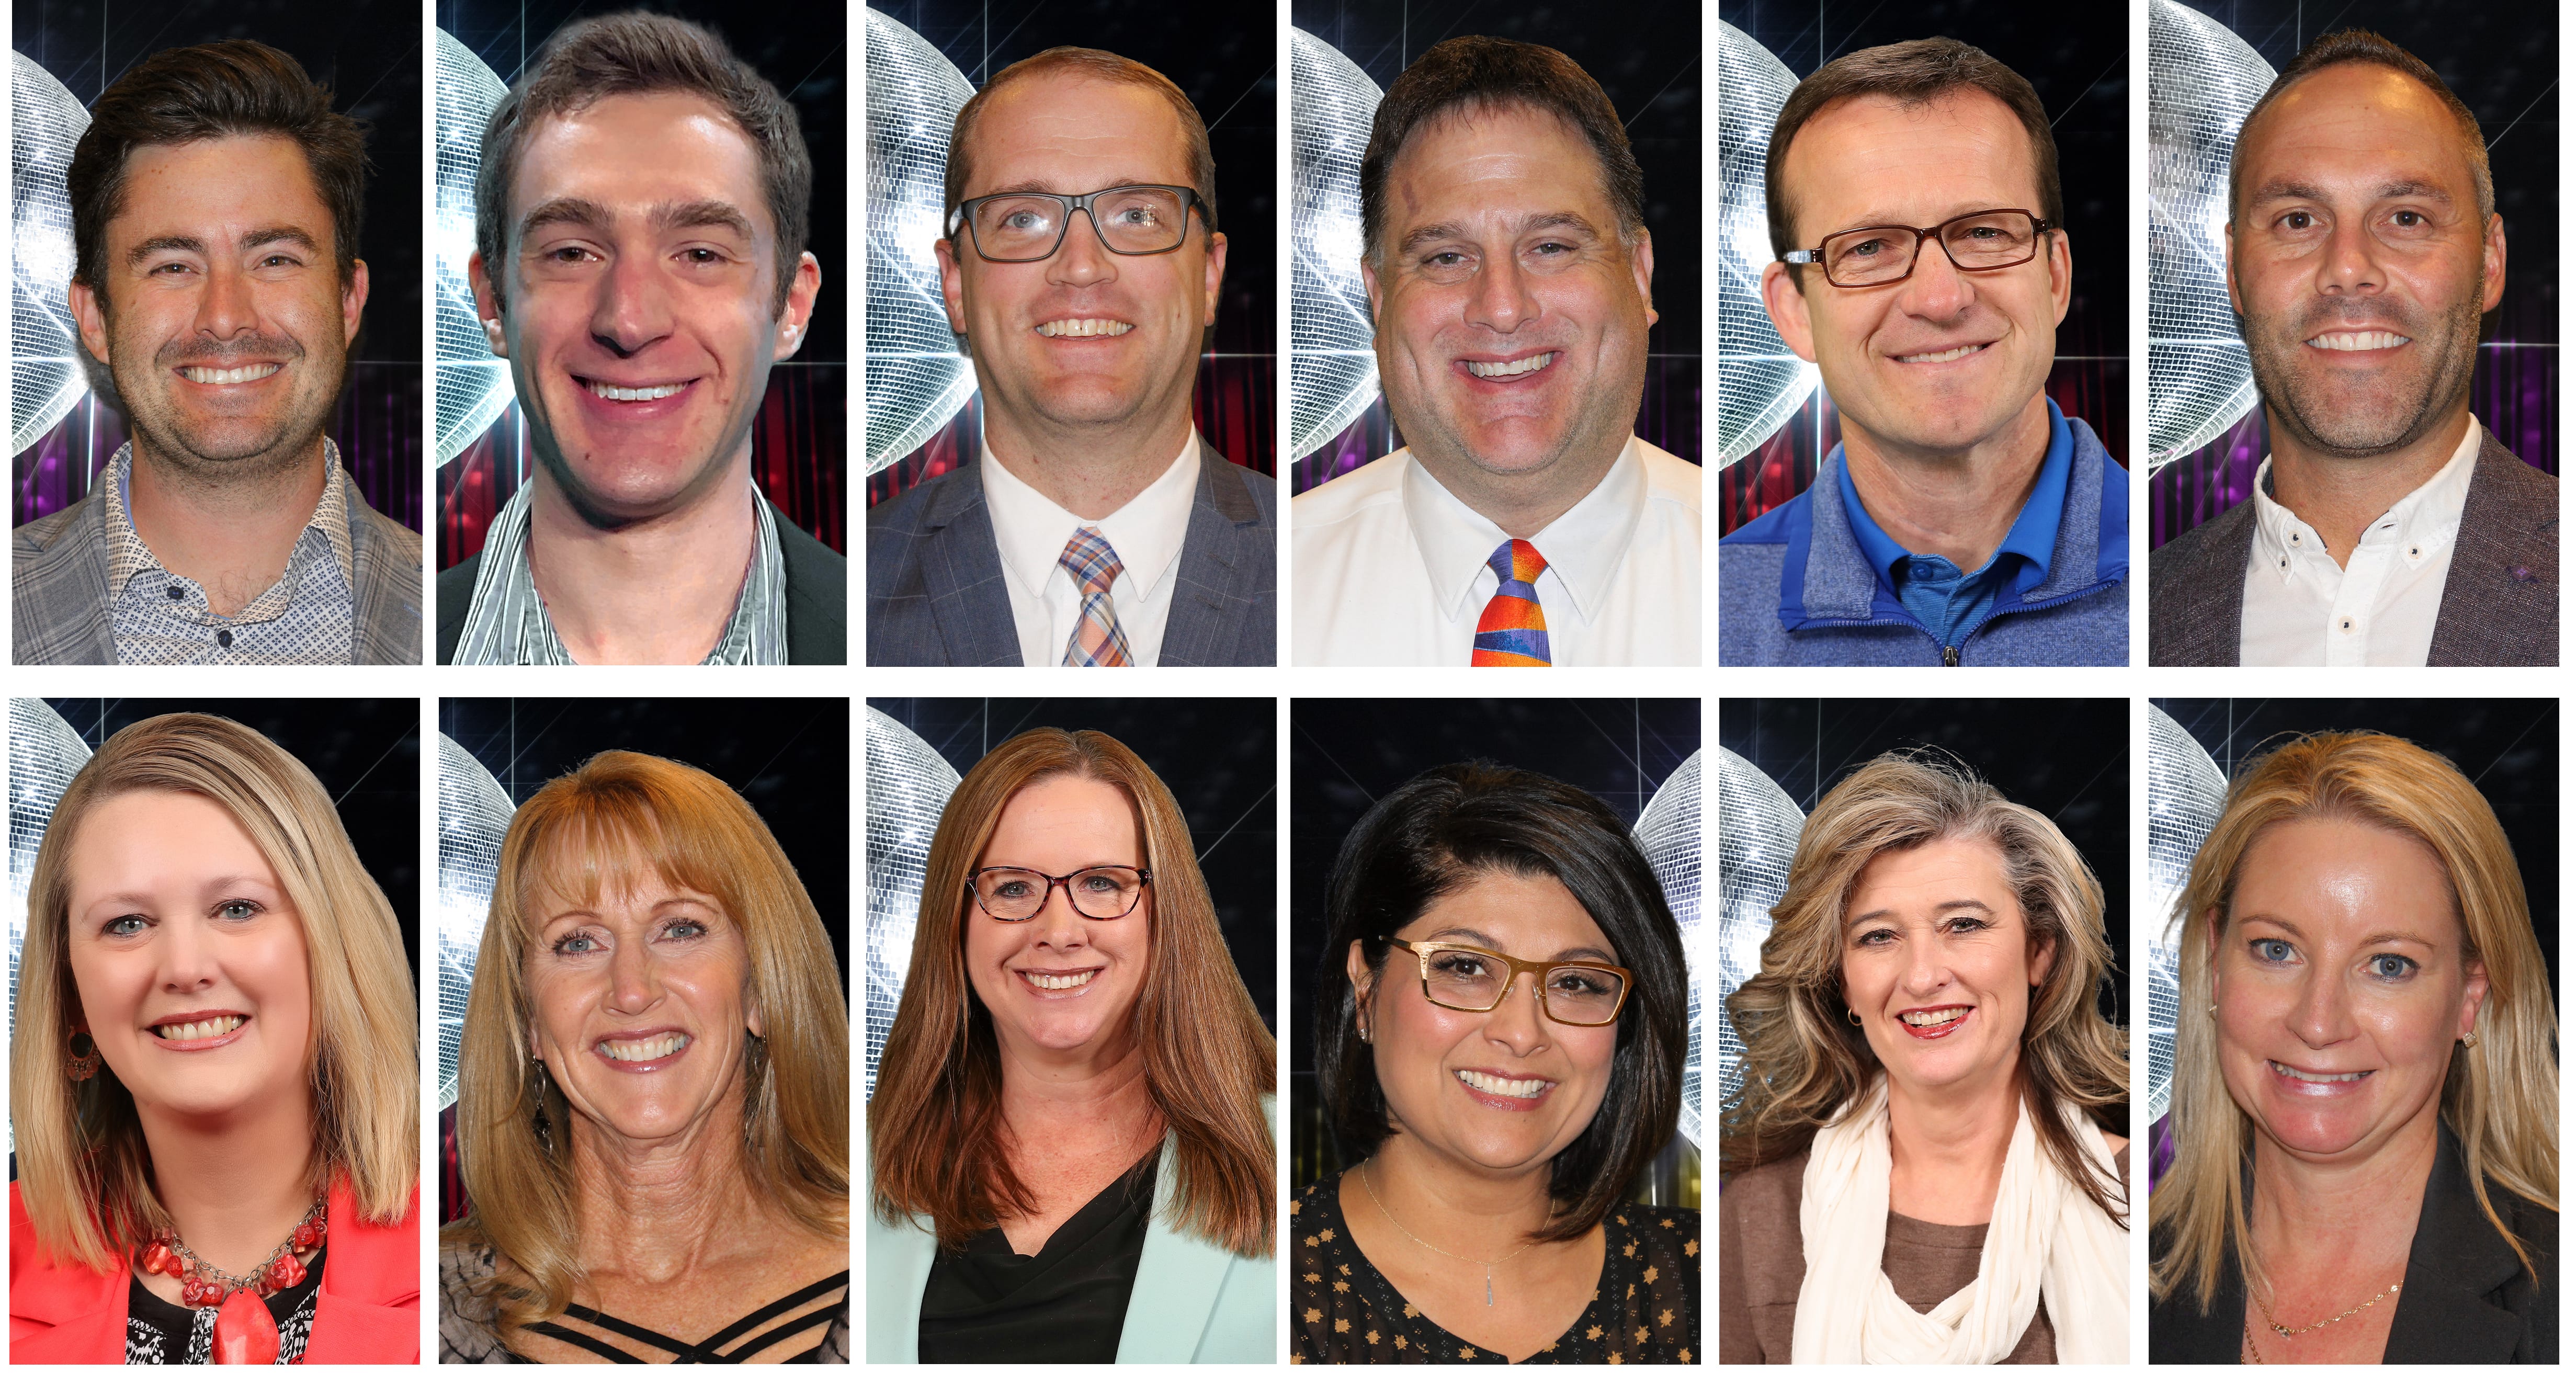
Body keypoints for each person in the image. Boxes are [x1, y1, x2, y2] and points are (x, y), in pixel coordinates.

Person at [10, 714, 419, 1363]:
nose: (183, 968)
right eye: (126, 923)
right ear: (70, 995)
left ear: (332, 945)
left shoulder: (475, 1265)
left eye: (237, 909)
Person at [444, 12, 842, 665]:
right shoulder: (398, 645)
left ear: (792, 305)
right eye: (572, 252)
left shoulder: (877, 633)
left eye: (700, 254)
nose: (629, 321)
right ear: (492, 301)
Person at [2149, 32, 2557, 667]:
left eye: (2404, 218)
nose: (2347, 269)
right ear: (2232, 269)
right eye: (2297, 220)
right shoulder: (2141, 615)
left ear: (2490, 260)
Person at [1292, 37, 1700, 667]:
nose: (1503, 308)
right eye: (1446, 257)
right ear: (1377, 298)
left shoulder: (1739, 565)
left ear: (1639, 273)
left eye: (1551, 247)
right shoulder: (1279, 583)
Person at [868, 728, 1275, 1361]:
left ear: (1166, 914)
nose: (1058, 931)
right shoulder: (856, 1167)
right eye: (1011, 888)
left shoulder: (1292, 1169)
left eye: (1102, 884)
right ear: (954, 918)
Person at [2149, 732, 2556, 1363]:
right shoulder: (2107, 1266)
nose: (2317, 1023)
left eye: (2388, 965)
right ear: (2215, 962)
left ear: (2469, 993)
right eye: (2275, 950)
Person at [1722, 38, 2128, 666]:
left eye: (1984, 232)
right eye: (1868, 248)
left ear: (2054, 277)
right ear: (1794, 310)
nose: (1939, 299)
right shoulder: (1710, 607)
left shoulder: (2182, 561)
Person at [15, 42, 422, 666]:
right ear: (95, 317)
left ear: (348, 300)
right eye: (173, 265)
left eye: (275, 259)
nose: (226, 317)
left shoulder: (467, 617)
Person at [867, 49, 1276, 667]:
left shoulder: (1322, 563)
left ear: (1210, 275)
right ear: (955, 285)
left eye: (1137, 214)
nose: (1081, 266)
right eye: (1023, 219)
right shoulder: (852, 587)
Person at [1720, 752, 2128, 1363]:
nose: (1921, 976)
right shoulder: (1757, 1217)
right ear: (1841, 980)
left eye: (1962, 925)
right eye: (1877, 937)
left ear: (2039, 952)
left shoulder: (2145, 1198)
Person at [440, 751, 849, 1361]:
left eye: (680, 929)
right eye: (577, 942)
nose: (631, 990)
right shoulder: (423, 1302)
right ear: (528, 1019)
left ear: (760, 987)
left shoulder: (896, 1268)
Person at [1296, 762, 1696, 1363]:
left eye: (1575, 982)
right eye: (1464, 967)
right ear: (1365, 988)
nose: (1520, 1032)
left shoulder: (1705, 1281)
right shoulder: (1254, 1275)